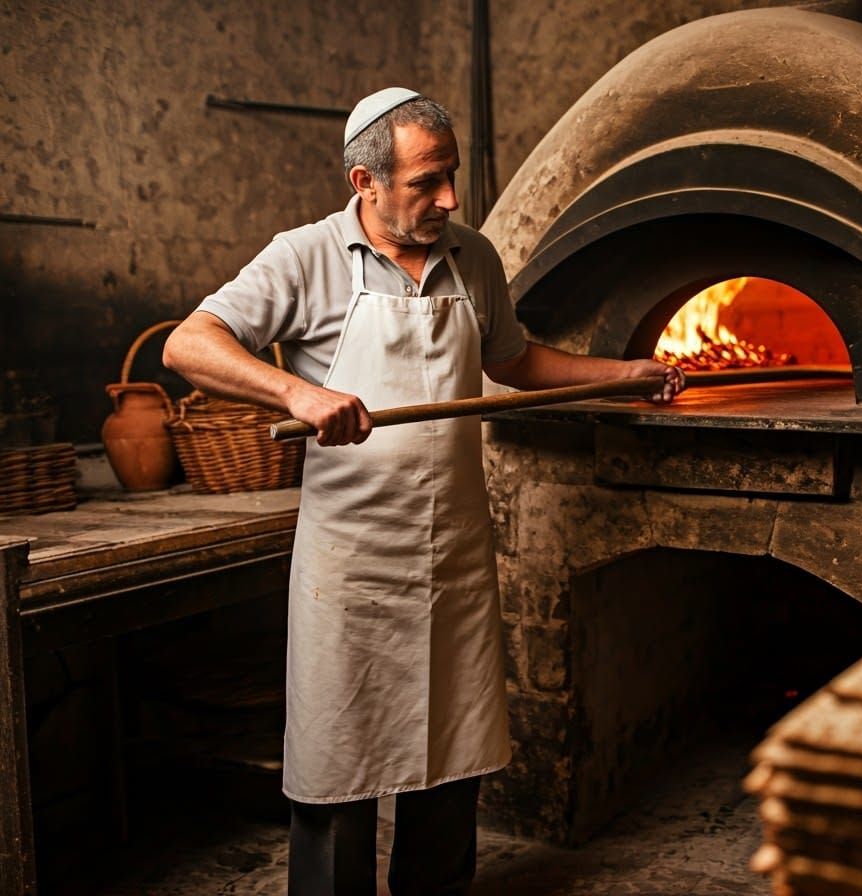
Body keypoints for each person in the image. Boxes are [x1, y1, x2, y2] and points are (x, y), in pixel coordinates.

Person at [163, 87, 684, 895]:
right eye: (425, 182)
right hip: (353, 565)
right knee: (340, 764)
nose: (448, 198)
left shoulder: (473, 256)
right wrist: (296, 394)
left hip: (453, 560)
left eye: (450, 177)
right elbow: (189, 343)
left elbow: (511, 361)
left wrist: (624, 374)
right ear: (364, 182)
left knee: (450, 760)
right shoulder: (302, 257)